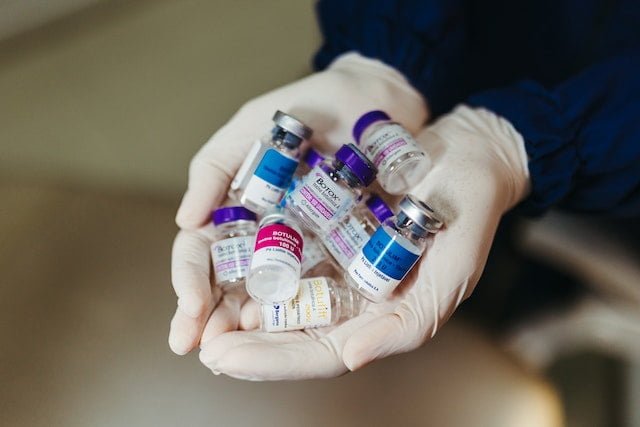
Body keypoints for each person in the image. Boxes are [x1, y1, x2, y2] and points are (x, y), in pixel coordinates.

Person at [168, 0, 640, 380]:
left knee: (501, 232)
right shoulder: (336, 199)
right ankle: (539, 308)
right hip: (470, 46)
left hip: (614, 143)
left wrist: (518, 146)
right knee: (480, 255)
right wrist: (380, 57)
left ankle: (571, 302)